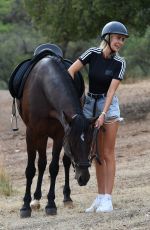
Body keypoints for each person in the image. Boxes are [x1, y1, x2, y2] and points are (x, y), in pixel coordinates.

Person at [68, 21, 129, 213]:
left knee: (108, 153)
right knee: (95, 154)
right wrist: (72, 101)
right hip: (88, 106)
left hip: (108, 107)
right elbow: (71, 71)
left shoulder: (120, 62)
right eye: (118, 38)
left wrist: (103, 114)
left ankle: (108, 200)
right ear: (107, 37)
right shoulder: (92, 53)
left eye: (123, 40)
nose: (120, 42)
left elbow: (111, 92)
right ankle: (100, 196)